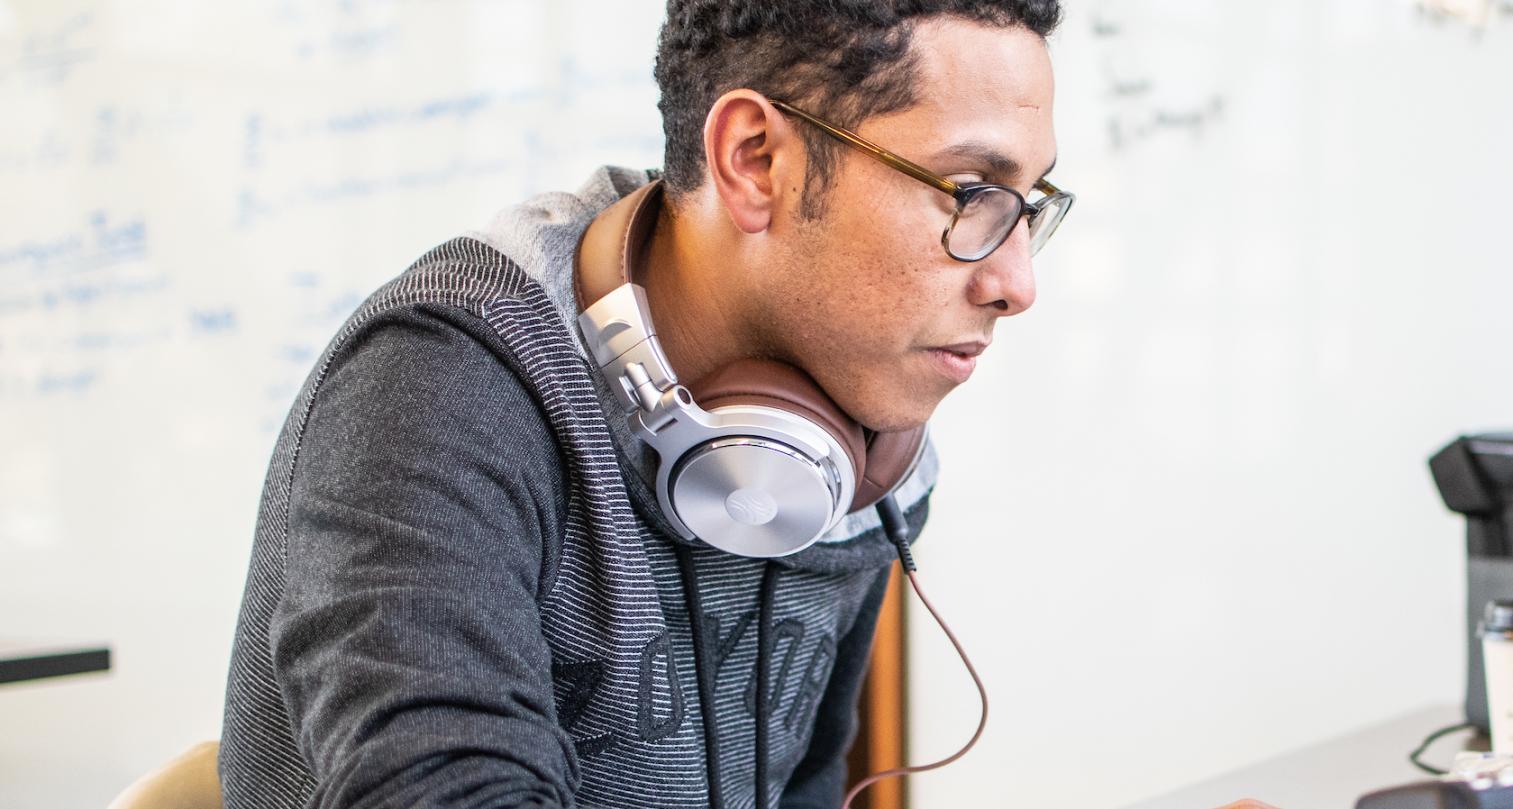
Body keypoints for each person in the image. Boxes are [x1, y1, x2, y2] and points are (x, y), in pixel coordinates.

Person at [219, 2, 1068, 807]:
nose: (1017, 283)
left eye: (1028, 207)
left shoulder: (862, 440)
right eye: (969, 194)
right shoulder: (438, 388)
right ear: (755, 161)